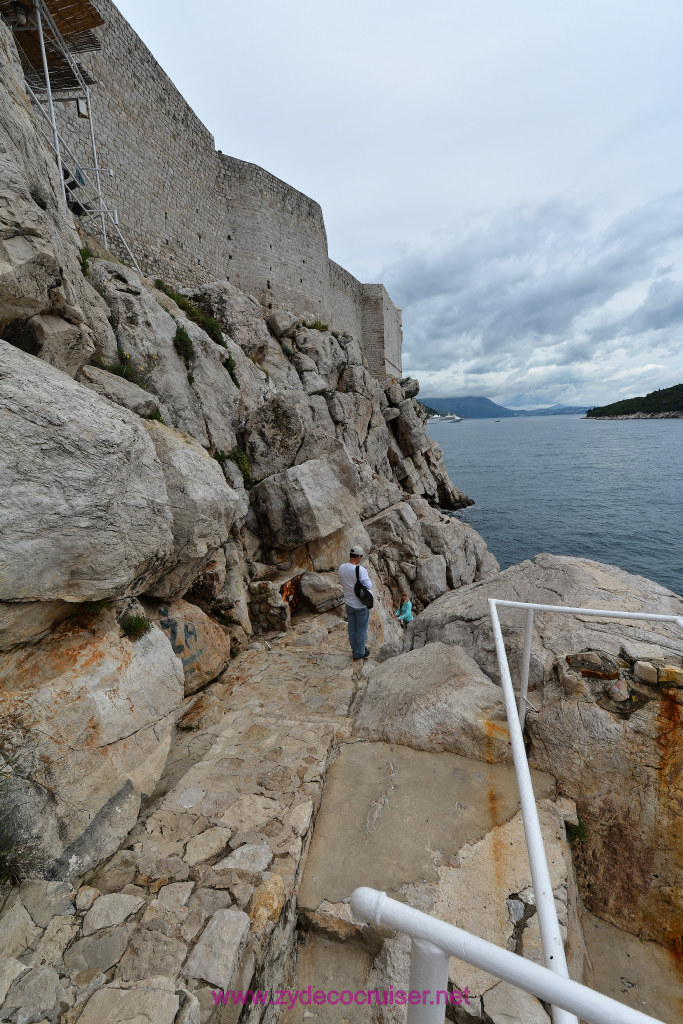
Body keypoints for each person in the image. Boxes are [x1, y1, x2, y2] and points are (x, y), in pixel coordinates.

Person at [338, 545, 373, 660]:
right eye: (361, 557)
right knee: (361, 630)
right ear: (358, 557)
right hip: (361, 605)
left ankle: (355, 650)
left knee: (352, 629)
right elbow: (369, 586)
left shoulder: (341, 568)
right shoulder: (360, 570)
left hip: (348, 603)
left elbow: (342, 581)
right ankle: (359, 653)